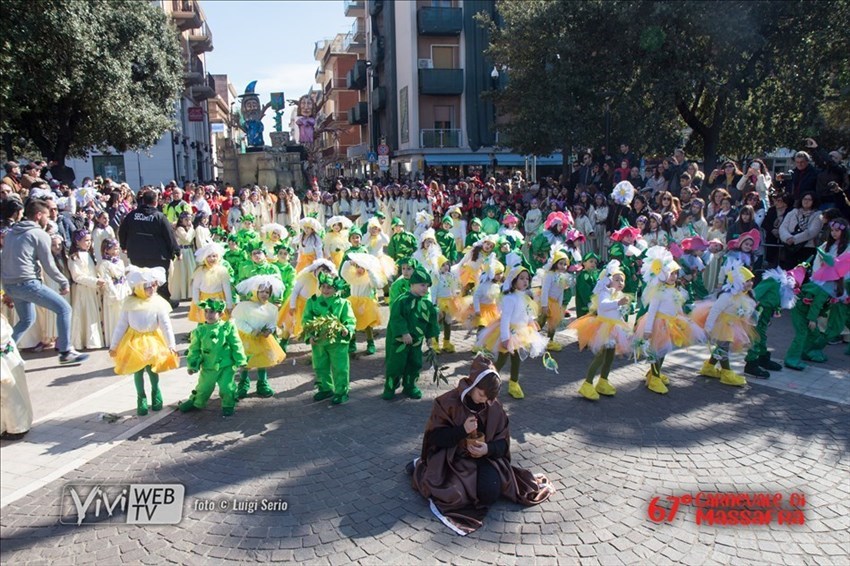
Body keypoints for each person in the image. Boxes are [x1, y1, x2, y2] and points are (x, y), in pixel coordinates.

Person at [409, 355, 552, 536]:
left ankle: (431, 469)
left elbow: (502, 444)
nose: (483, 401)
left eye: (488, 398)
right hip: (453, 459)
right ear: (472, 384)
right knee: (454, 495)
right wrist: (462, 430)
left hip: (485, 459)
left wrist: (487, 449)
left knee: (490, 493)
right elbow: (435, 438)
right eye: (481, 395)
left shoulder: (493, 406)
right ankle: (419, 468)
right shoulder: (447, 403)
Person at [1, 200, 88, 363]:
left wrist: (6, 288)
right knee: (64, 309)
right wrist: (63, 282)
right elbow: (49, 265)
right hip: (27, 282)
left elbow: (3, 258)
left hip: (10, 284)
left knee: (27, 320)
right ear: (38, 215)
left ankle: (4, 352)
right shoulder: (39, 234)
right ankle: (66, 351)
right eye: (47, 216)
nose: (48, 220)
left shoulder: (12, 232)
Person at [109, 267, 179, 416]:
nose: (152, 289)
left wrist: (171, 345)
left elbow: (166, 326)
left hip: (153, 340)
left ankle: (156, 392)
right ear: (139, 288)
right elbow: (121, 326)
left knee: (152, 369)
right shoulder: (130, 304)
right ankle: (141, 397)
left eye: (154, 285)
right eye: (147, 286)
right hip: (134, 342)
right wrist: (114, 345)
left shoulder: (158, 303)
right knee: (137, 370)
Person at [476, 265, 548, 399]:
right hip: (509, 332)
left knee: (517, 359)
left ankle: (514, 383)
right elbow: (505, 319)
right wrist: (505, 338)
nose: (525, 281)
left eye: (527, 278)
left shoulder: (526, 297)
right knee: (501, 361)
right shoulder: (510, 299)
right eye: (521, 278)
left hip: (521, 333)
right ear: (514, 280)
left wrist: (531, 323)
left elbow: (527, 313)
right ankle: (487, 383)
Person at [569, 260, 633, 400]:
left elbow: (618, 313)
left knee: (610, 356)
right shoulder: (605, 293)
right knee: (600, 357)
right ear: (609, 280)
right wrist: (618, 303)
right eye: (617, 279)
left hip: (614, 328)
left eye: (622, 280)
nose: (620, 282)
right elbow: (603, 306)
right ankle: (587, 383)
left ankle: (603, 381)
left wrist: (623, 314)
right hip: (604, 328)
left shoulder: (617, 295)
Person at [692, 261, 757, 387]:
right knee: (723, 347)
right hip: (723, 325)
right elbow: (715, 310)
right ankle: (727, 373)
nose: (750, 283)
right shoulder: (727, 296)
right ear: (737, 282)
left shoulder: (744, 295)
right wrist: (708, 326)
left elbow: (745, 311)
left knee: (722, 347)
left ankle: (709, 366)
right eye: (747, 280)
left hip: (733, 324)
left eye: (751, 280)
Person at [179, 298, 247, 417]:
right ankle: (196, 402)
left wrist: (240, 360)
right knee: (203, 388)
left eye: (212, 312)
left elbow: (236, 344)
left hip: (226, 365)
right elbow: (194, 350)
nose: (208, 315)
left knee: (227, 387)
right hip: (208, 366)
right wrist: (192, 365)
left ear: (220, 314)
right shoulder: (200, 331)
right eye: (206, 311)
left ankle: (228, 404)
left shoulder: (227, 327)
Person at [382, 264, 440, 400]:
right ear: (412, 284)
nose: (425, 289)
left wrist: (430, 336)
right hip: (400, 341)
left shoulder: (427, 304)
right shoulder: (402, 301)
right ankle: (390, 385)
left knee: (414, 363)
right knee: (396, 363)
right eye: (422, 285)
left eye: (427, 286)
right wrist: (404, 332)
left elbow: (431, 321)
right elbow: (396, 318)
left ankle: (410, 385)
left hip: (416, 341)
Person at [302, 272, 357, 405]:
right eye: (323, 286)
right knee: (320, 366)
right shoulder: (312, 301)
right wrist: (309, 335)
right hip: (319, 342)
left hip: (337, 342)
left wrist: (347, 329)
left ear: (336, 289)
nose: (326, 290)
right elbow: (306, 320)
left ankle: (341, 392)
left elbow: (350, 320)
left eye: (330, 287)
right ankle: (325, 388)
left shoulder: (343, 303)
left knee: (340, 367)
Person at [118, 190, 179, 304]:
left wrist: (123, 245)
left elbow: (122, 231)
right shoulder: (159, 217)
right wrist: (175, 251)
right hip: (158, 255)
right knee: (159, 280)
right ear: (155, 202)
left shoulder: (132, 215)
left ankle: (139, 301)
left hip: (137, 254)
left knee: (140, 280)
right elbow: (169, 235)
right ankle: (162, 303)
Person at [232, 275, 286, 400]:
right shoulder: (244, 306)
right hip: (246, 338)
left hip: (263, 339)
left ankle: (262, 383)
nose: (264, 294)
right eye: (261, 291)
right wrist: (251, 330)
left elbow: (272, 323)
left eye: (267, 292)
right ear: (255, 292)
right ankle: (243, 384)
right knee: (246, 362)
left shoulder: (271, 308)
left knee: (263, 361)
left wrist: (269, 330)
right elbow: (238, 321)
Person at [1, 307, 33, 439]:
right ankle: (8, 425)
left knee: (10, 394)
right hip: (7, 357)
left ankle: (18, 427)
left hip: (6, 361)